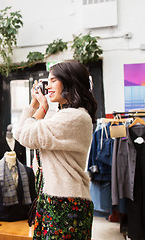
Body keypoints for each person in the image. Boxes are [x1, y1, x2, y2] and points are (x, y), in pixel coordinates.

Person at [14, 60, 97, 239]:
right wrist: (39, 106)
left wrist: (38, 105)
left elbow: (23, 134)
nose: (48, 86)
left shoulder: (74, 117)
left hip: (66, 202)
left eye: (53, 80)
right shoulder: (66, 115)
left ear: (69, 82)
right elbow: (27, 132)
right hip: (56, 198)